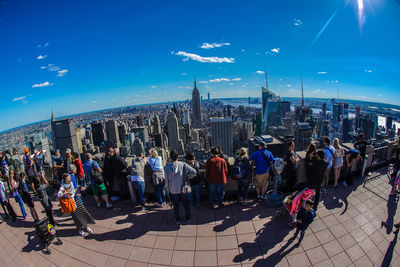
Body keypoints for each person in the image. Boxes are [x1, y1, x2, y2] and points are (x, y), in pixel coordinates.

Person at [165, 150, 197, 224]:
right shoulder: (183, 164)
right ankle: (188, 218)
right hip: (183, 188)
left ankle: (177, 219)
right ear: (177, 157)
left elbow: (166, 181)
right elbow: (194, 172)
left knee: (176, 205)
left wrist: (167, 190)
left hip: (173, 189)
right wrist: (187, 177)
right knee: (186, 204)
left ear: (170, 158)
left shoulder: (167, 167)